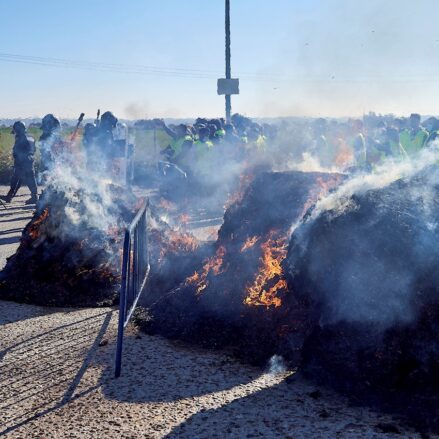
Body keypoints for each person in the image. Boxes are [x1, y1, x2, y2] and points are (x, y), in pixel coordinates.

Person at [0, 121, 38, 204]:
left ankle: (9, 197)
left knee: (16, 178)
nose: (15, 134)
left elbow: (17, 152)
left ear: (18, 130)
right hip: (30, 160)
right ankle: (34, 197)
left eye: (15, 131)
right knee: (29, 178)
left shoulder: (20, 138)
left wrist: (17, 162)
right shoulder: (31, 137)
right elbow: (34, 149)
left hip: (22, 162)